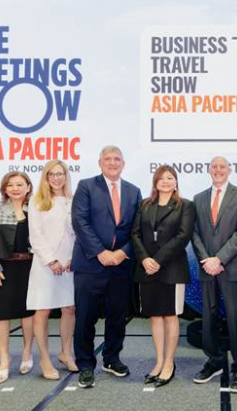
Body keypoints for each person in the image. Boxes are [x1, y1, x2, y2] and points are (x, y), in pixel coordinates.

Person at [71, 145, 142, 389]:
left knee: (117, 317)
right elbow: (79, 221)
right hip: (90, 263)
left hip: (121, 265)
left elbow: (137, 229)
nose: (113, 163)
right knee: (85, 318)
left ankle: (112, 359)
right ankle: (85, 365)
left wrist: (123, 252)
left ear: (123, 163)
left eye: (117, 159)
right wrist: (101, 253)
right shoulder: (86, 186)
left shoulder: (133, 191)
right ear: (100, 163)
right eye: (108, 159)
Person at [131, 165, 196, 388]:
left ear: (176, 182)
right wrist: (144, 259)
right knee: (155, 316)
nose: (166, 181)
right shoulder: (144, 205)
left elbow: (183, 236)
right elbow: (135, 234)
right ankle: (159, 361)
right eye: (161, 178)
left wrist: (157, 260)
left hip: (172, 268)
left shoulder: (185, 206)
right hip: (146, 268)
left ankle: (169, 363)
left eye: (170, 178)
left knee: (170, 316)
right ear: (155, 182)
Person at [191, 156, 237, 393]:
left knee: (236, 318)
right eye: (214, 167)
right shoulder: (198, 198)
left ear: (230, 170)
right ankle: (214, 360)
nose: (218, 170)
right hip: (207, 267)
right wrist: (207, 260)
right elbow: (194, 233)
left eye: (222, 167)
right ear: (209, 170)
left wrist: (219, 259)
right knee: (209, 317)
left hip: (231, 266)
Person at [0, 171, 36, 383]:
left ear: (28, 187)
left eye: (20, 184)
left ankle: (27, 352)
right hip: (1, 270)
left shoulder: (37, 210)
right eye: (10, 185)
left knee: (28, 313)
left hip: (31, 268)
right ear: (4, 189)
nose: (15, 188)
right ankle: (4, 359)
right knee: (0, 314)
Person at [26, 160, 78, 380]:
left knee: (69, 308)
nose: (57, 178)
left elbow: (78, 233)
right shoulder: (37, 201)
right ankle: (45, 359)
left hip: (69, 264)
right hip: (45, 264)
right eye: (52, 174)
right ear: (46, 177)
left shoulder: (73, 200)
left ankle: (66, 353)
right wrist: (52, 260)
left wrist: (72, 258)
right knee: (43, 311)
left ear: (66, 176)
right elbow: (35, 235)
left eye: (60, 173)